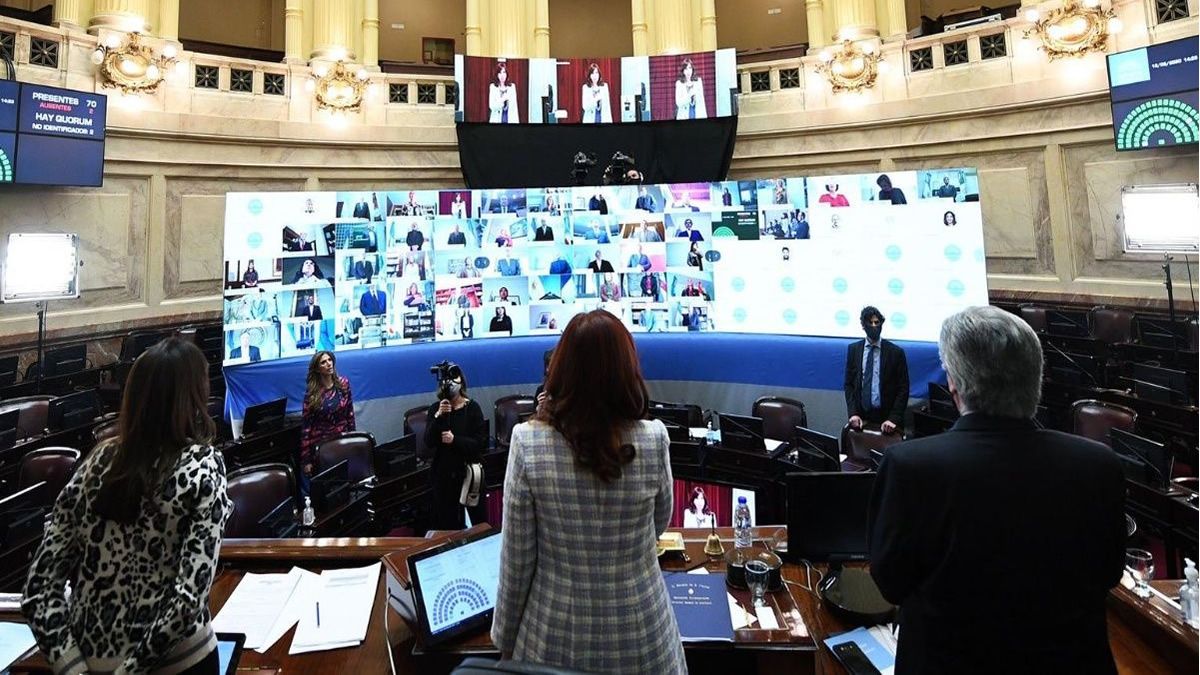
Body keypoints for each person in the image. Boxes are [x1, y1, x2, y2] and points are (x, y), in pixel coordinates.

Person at [869, 306, 1125, 674]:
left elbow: (891, 584)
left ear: (954, 385)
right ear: (1036, 379)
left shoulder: (910, 467)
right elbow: (1109, 573)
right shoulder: (1098, 465)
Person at [492, 310, 685, 673]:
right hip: (644, 634)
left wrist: (504, 639)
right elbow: (659, 523)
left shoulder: (528, 443)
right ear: (627, 368)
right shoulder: (655, 438)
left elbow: (517, 559)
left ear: (562, 368)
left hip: (552, 637)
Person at [23, 339, 231, 675]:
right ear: (193, 397)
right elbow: (188, 599)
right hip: (180, 664)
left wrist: (73, 668)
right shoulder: (202, 466)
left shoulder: (95, 463)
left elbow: (38, 590)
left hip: (93, 661)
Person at [424, 366, 488, 528]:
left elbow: (480, 444)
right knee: (448, 525)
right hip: (444, 476)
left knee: (478, 523)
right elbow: (428, 441)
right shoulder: (435, 409)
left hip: (469, 475)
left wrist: (455, 440)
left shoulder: (472, 408)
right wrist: (438, 416)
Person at [844, 306, 909, 434]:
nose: (874, 326)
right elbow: (849, 384)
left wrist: (893, 418)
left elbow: (903, 388)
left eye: (877, 322)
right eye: (870, 322)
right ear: (863, 326)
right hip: (861, 418)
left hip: (887, 419)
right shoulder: (854, 350)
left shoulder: (895, 352)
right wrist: (853, 413)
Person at [299, 351, 356, 492]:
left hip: (342, 440)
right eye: (323, 362)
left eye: (330, 360)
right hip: (322, 446)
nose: (328, 364)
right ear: (317, 368)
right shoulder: (312, 394)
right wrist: (306, 460)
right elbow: (306, 428)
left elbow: (350, 414)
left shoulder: (343, 384)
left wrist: (353, 439)